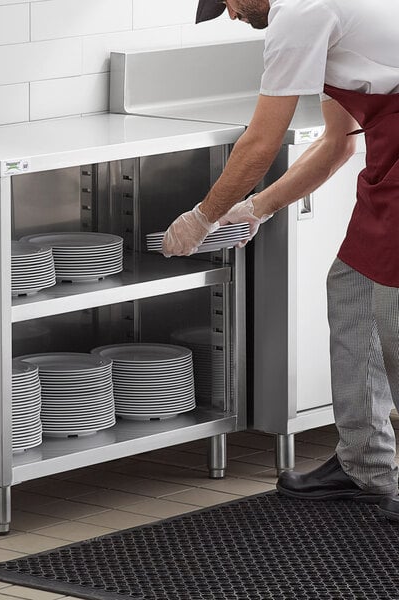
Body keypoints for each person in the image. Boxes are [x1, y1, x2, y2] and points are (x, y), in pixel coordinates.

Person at [162, 0, 399, 519]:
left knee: (395, 317)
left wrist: (203, 216)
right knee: (352, 288)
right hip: (390, 159)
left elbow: (261, 143)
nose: (229, 13)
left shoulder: (299, 13)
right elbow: (337, 146)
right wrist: (256, 209)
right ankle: (367, 466)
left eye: (225, 0)